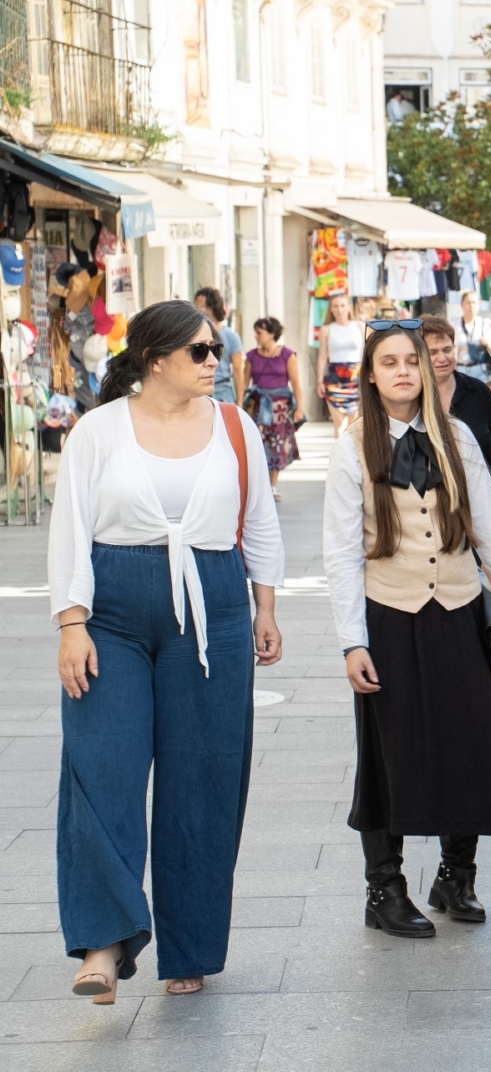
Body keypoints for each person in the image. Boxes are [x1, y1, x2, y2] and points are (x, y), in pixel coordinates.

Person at [48, 299, 285, 1001]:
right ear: (156, 360)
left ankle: (190, 946)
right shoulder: (99, 430)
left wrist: (266, 606)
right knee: (101, 767)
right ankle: (101, 941)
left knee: (205, 778)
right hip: (113, 609)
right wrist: (72, 622)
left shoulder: (235, 426)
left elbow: (261, 520)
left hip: (213, 603)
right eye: (200, 352)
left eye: (216, 351)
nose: (215, 362)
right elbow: (72, 528)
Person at [323, 318, 491, 938]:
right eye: (388, 362)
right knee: (389, 752)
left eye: (411, 361)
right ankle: (384, 888)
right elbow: (340, 551)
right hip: (388, 616)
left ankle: (455, 875)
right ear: (369, 373)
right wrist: (352, 641)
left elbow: (489, 528)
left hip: (460, 611)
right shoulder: (353, 444)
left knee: (468, 742)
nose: (403, 371)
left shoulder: (459, 436)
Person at [420, 315, 491, 496]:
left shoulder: (479, 392)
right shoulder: (411, 397)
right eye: (433, 352)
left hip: (481, 505)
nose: (442, 358)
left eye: (447, 349)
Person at [236, 316, 302, 500]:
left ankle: (272, 486)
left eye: (259, 332)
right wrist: (240, 404)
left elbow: (296, 383)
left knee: (277, 445)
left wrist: (299, 408)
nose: (256, 336)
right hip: (258, 408)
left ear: (272, 334)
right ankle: (260, 485)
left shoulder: (287, 355)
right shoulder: (251, 356)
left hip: (280, 410)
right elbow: (244, 382)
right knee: (257, 444)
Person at [321, 292, 363, 435]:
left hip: (355, 376)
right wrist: (319, 381)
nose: (339, 309)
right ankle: (339, 454)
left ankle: (352, 454)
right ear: (331, 309)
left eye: (343, 305)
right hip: (334, 377)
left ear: (349, 307)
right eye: (336, 306)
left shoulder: (360, 327)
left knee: (354, 420)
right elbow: (322, 357)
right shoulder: (326, 329)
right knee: (339, 421)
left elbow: (367, 354)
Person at [193, 287, 242, 404]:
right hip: (199, 390)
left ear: (212, 307)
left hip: (223, 391)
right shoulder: (193, 334)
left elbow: (238, 369)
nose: (195, 309)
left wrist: (240, 401)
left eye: (199, 306)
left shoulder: (231, 336)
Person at [451, 290, 491, 382]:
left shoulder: (485, 324)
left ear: (479, 305)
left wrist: (488, 344)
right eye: (468, 302)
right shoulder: (454, 324)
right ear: (462, 305)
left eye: (474, 302)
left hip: (481, 370)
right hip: (461, 369)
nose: (471, 305)